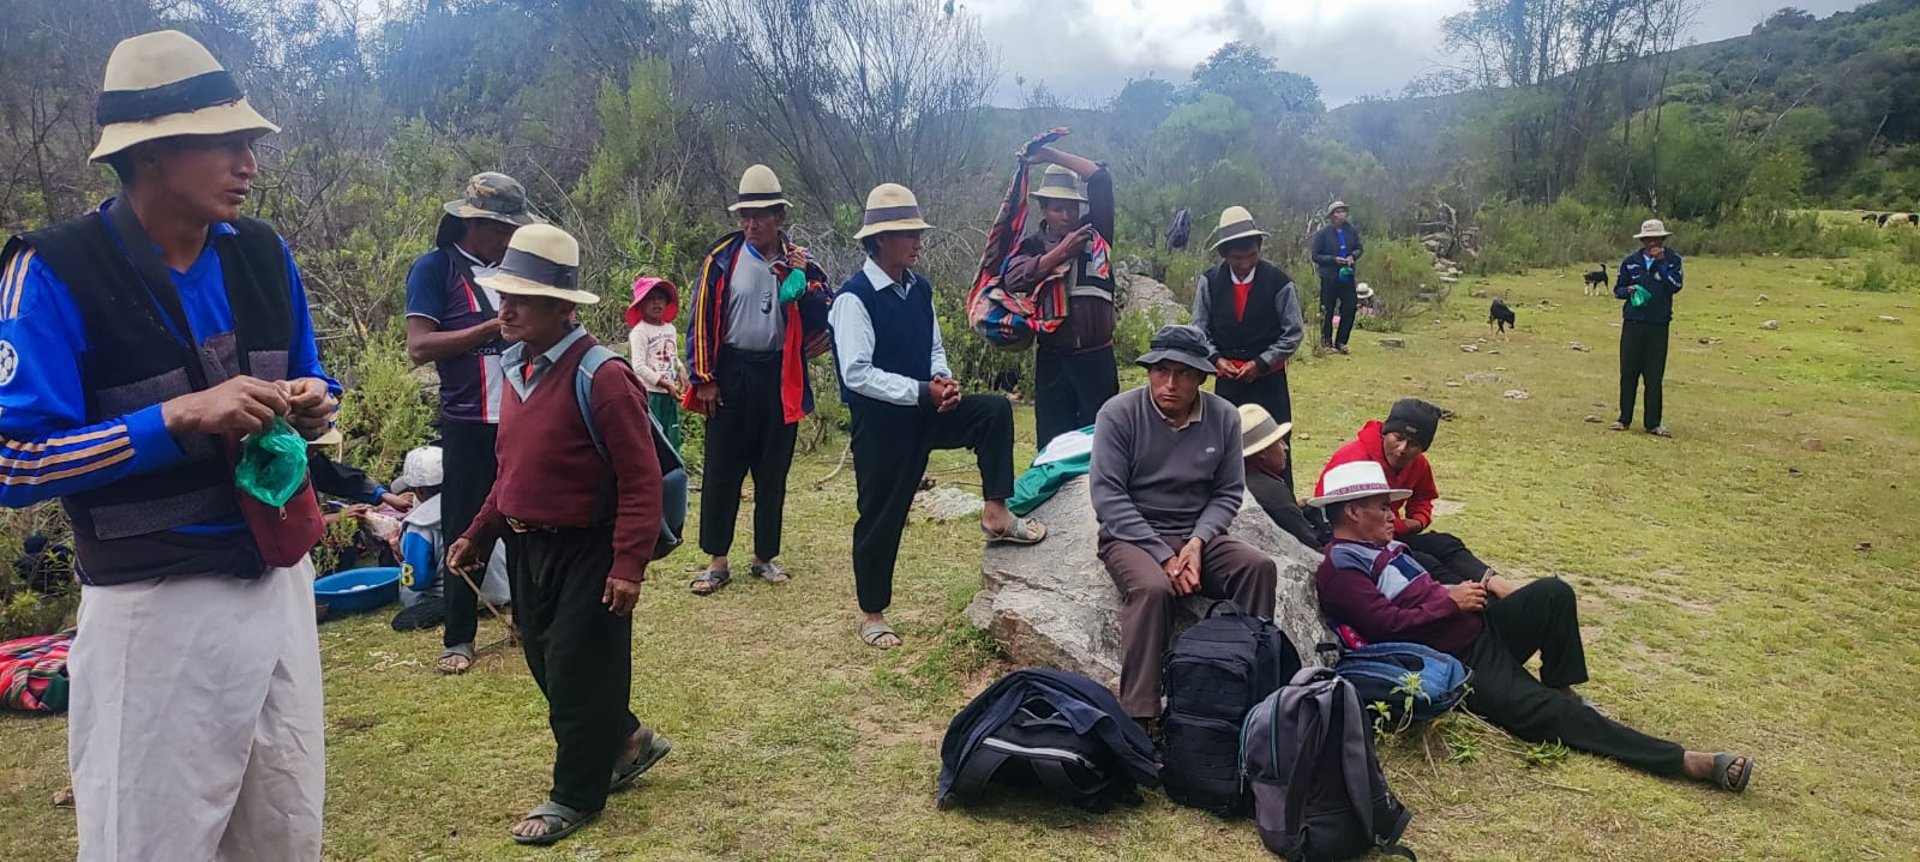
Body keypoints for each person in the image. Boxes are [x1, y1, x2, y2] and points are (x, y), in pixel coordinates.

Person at [0, 30, 338, 860]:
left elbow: (316, 386)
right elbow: (12, 461)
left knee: (283, 832)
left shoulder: (262, 254)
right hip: (152, 609)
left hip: (278, 582)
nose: (247, 160)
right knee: (145, 844)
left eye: (249, 140)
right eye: (224, 141)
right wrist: (176, 418)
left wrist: (312, 402)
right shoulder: (52, 272)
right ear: (150, 152)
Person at [1309, 460, 1755, 793]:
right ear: (1352, 512)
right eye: (1382, 507)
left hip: (1480, 627)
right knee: (1552, 717)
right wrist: (1451, 604)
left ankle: (1560, 684)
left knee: (1552, 594)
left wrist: (1455, 592)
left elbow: (1425, 582)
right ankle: (1684, 761)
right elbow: (1388, 628)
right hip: (1458, 663)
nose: (1393, 514)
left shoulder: (1384, 547)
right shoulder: (1341, 570)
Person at [447, 224, 674, 846]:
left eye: (521, 298)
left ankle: (575, 793)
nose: (506, 309)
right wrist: (480, 533)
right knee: (548, 660)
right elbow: (510, 471)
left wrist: (628, 565)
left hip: (589, 549)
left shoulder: (602, 377)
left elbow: (641, 479)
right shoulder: (517, 370)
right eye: (503, 294)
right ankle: (628, 739)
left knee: (576, 670)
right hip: (529, 547)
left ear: (561, 307)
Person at [832, 183, 1048, 650]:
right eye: (908, 234)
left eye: (916, 232)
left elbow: (932, 345)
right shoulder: (855, 297)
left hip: (925, 407)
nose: (917, 241)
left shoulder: (919, 287)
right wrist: (920, 392)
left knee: (991, 412)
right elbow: (856, 373)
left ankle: (996, 511)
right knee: (880, 515)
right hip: (882, 425)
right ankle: (873, 613)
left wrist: (943, 381)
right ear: (881, 240)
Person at [1091, 324, 1279, 722]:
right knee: (1153, 590)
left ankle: (1247, 689)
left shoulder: (1224, 417)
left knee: (1258, 568)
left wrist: (1197, 542)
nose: (1170, 384)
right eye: (1161, 371)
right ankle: (1140, 716)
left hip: (1197, 534)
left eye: (1184, 373)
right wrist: (1163, 555)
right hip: (1133, 536)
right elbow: (1108, 496)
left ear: (1200, 377)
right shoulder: (1118, 413)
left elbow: (1228, 491)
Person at [403, 170, 543, 674]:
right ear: (475, 224)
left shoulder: (515, 268)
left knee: (526, 523)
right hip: (467, 421)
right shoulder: (435, 269)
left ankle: (529, 624)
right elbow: (419, 346)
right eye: (503, 227)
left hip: (524, 418)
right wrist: (488, 329)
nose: (510, 236)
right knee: (466, 526)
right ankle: (458, 637)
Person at [682, 165, 833, 595]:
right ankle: (716, 561)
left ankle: (765, 557)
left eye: (761, 215)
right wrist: (704, 377)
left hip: (778, 374)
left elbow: (828, 309)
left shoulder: (800, 262)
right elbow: (700, 321)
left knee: (773, 470)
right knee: (721, 469)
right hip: (730, 372)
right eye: (745, 215)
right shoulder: (722, 259)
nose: (751, 224)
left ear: (779, 216)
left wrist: (806, 299)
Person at [1315, 398, 1512, 591]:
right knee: (1424, 561)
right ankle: (1476, 599)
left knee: (1445, 543)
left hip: (1387, 532)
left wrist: (1418, 520)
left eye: (1413, 444)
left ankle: (1494, 583)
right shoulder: (1353, 459)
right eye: (1398, 438)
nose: (1402, 449)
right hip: (1357, 539)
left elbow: (1423, 497)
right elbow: (1331, 515)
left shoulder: (1418, 464)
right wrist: (1398, 525)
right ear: (1385, 433)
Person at [1000, 145, 1120, 446]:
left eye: (1072, 207)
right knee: (1054, 446)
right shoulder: (1031, 246)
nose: (1066, 215)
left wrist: (1049, 155)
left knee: (1103, 445)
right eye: (1058, 208)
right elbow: (1011, 278)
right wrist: (1059, 254)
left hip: (1097, 358)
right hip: (1053, 361)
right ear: (1044, 210)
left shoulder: (1096, 232)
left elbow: (1100, 179)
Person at [1191, 206, 1306, 492]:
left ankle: (1283, 504)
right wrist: (1216, 359)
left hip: (1268, 382)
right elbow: (1199, 330)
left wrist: (1262, 363)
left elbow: (1293, 332)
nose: (1244, 263)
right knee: (1227, 443)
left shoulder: (1279, 283)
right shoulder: (1210, 281)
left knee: (1277, 446)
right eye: (1237, 258)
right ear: (1224, 255)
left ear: (1259, 249)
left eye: (1251, 255)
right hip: (1228, 381)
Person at [1613, 218, 1683, 437]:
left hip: (1658, 325)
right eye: (1649, 239)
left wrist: (1661, 264)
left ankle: (1653, 423)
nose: (1653, 242)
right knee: (1628, 372)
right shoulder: (1630, 261)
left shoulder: (1673, 260)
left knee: (1654, 375)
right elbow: (1618, 290)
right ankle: (1624, 419)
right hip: (1633, 324)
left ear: (1663, 239)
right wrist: (1629, 290)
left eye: (1657, 239)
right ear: (1642, 240)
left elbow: (1676, 286)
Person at [1238, 403, 1320, 550]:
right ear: (1262, 452)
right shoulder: (1270, 491)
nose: (1285, 448)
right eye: (1279, 442)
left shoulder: (1232, 480)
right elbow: (1310, 543)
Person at [625, 277, 684, 450]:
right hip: (652, 395)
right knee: (653, 439)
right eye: (650, 299)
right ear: (641, 305)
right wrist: (664, 383)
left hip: (669, 394)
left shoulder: (670, 329)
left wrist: (680, 369)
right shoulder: (640, 332)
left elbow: (670, 354)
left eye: (660, 298)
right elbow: (639, 366)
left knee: (671, 436)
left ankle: (671, 474)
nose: (656, 302)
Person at [1310, 200, 1365, 354]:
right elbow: (1315, 255)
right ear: (1332, 215)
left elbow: (1359, 248)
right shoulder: (1323, 234)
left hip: (1347, 276)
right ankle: (1326, 342)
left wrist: (1352, 256)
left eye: (1343, 211)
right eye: (1338, 212)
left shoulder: (1351, 231)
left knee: (1350, 307)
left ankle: (1341, 341)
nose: (1341, 214)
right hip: (1329, 277)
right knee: (1327, 309)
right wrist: (1334, 260)